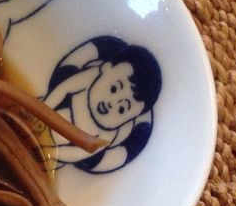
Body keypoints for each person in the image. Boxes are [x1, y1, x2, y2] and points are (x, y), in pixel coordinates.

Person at [43, 37, 162, 173]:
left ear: (132, 118)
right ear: (105, 67)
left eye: (122, 108)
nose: (112, 104)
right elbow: (64, 89)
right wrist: (43, 108)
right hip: (52, 118)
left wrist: (50, 153)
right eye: (113, 89)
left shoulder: (106, 137)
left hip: (53, 155)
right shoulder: (89, 78)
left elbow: (80, 153)